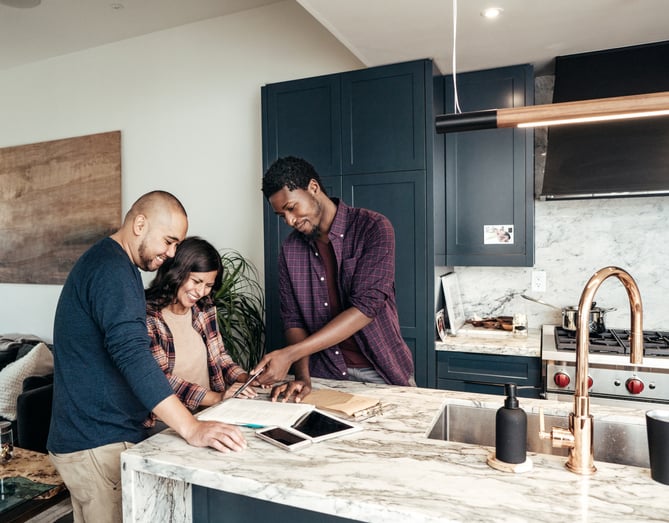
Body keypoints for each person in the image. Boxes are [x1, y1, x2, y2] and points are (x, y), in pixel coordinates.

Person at [47, 191, 246, 523]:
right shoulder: (112, 270)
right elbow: (134, 356)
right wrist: (192, 427)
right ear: (140, 224)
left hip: (88, 439)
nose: (170, 254)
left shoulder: (111, 265)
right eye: (168, 242)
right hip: (99, 442)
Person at [254, 156, 414, 402]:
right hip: (324, 377)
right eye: (281, 216)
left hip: (383, 373)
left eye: (291, 208)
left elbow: (366, 307)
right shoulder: (290, 250)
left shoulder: (373, 228)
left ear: (313, 188)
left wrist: (289, 355)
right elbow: (294, 320)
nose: (289, 221)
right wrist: (303, 377)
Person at [144, 236, 256, 425]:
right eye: (196, 281)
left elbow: (219, 356)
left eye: (209, 285)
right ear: (176, 272)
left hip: (210, 414)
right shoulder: (148, 317)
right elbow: (160, 381)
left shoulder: (204, 308)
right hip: (168, 424)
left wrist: (246, 378)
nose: (202, 291)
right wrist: (217, 397)